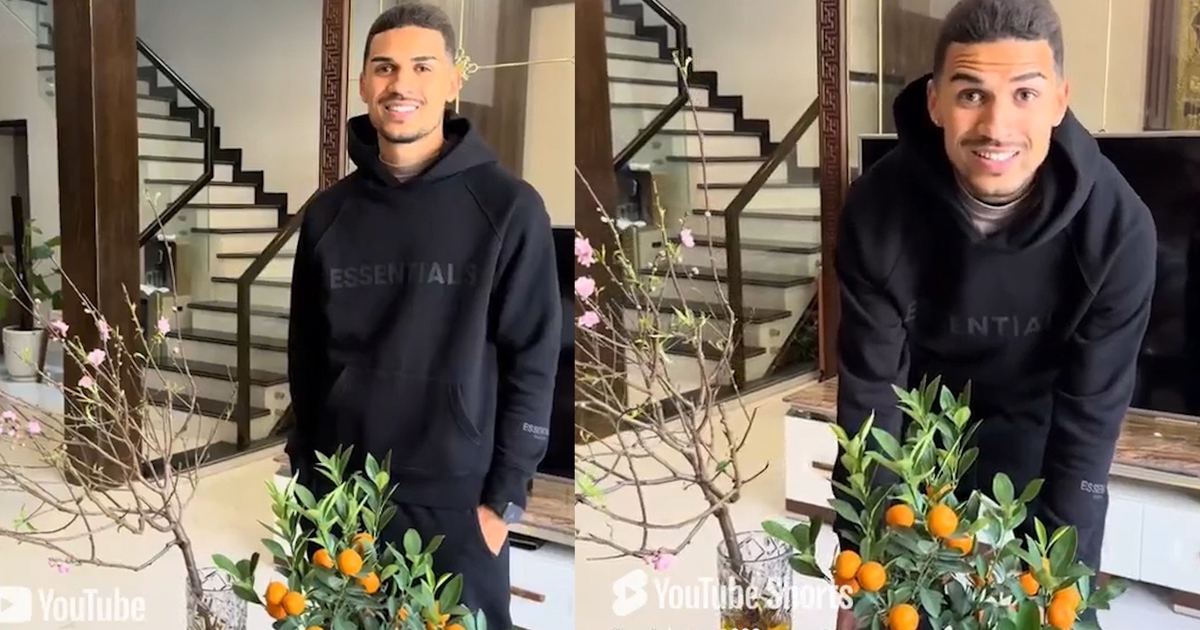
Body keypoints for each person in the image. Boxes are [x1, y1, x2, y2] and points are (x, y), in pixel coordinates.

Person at [831, 0, 1155, 628]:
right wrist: (861, 565)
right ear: (934, 101)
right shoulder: (878, 210)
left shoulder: (1118, 230)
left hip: (1044, 439)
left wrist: (1060, 587)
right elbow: (870, 398)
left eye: (1025, 94)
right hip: (918, 442)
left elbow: (1088, 428)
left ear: (1061, 101)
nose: (997, 126)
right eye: (971, 93)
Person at [283, 2, 561, 628]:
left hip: (457, 504)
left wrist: (502, 503)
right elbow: (304, 358)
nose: (400, 84)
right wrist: (306, 485)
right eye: (383, 67)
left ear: (453, 79)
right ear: (363, 83)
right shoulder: (328, 215)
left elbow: (534, 359)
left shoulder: (509, 207)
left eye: (421, 66)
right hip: (341, 496)